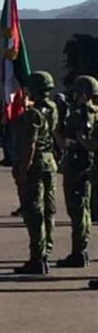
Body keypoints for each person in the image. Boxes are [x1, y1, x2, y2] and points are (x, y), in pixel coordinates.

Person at [11, 71, 59, 274]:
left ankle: (37, 257)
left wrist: (23, 170)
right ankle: (46, 249)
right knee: (48, 209)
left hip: (37, 164)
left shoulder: (33, 114)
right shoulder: (53, 108)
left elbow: (30, 144)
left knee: (34, 211)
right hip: (49, 161)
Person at [55, 75, 97, 268]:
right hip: (85, 164)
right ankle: (80, 249)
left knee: (77, 208)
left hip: (77, 164)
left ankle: (78, 251)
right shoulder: (94, 111)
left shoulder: (80, 113)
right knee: (83, 208)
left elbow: (72, 141)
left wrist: (55, 131)